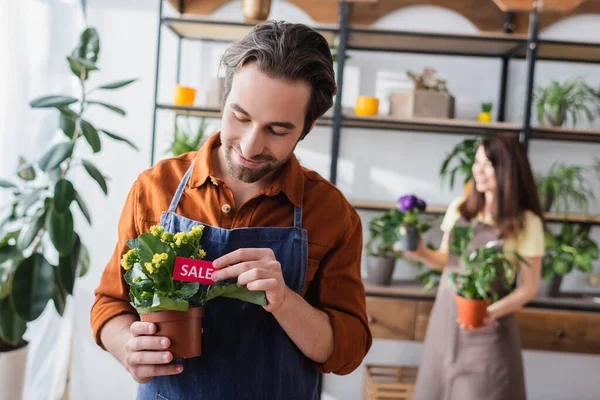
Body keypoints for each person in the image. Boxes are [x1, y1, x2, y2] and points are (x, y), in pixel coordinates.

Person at [90, 21, 372, 400]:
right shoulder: (155, 189)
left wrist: (286, 302)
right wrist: (127, 346)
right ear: (225, 99)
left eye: (277, 129)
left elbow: (347, 351)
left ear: (307, 127)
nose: (251, 146)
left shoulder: (331, 214)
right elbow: (111, 303)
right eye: (240, 117)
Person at [405, 135, 544, 400]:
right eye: (476, 162)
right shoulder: (460, 209)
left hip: (489, 331)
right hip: (445, 324)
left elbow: (529, 287)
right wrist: (421, 252)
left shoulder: (526, 222)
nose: (477, 170)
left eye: (487, 164)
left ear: (507, 170)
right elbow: (447, 260)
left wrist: (489, 314)